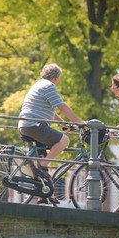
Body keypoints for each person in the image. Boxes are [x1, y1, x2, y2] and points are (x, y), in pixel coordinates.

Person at [18, 64, 86, 204]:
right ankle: (44, 163)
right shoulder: (49, 86)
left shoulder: (37, 85)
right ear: (55, 78)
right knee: (64, 141)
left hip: (26, 125)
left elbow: (50, 110)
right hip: (35, 125)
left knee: (42, 158)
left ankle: (44, 194)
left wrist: (63, 123)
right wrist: (80, 122)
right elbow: (62, 107)